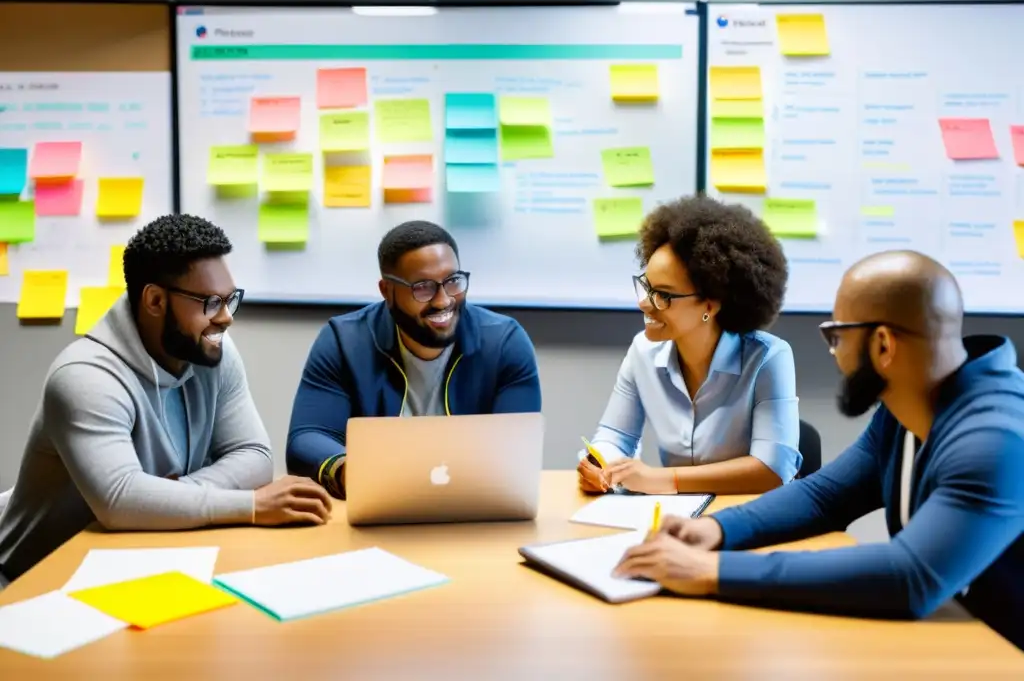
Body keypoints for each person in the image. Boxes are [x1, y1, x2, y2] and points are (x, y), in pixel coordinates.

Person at [612, 251, 1024, 650]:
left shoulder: (996, 439)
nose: (834, 354)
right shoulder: (912, 404)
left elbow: (910, 577)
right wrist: (718, 530)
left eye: (837, 337)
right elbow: (825, 496)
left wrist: (710, 570)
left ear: (883, 345)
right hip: (967, 635)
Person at [0, 214, 332, 584]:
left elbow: (254, 456)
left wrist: (163, 498)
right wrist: (252, 506)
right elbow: (121, 501)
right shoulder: (83, 377)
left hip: (132, 564)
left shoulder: (213, 351)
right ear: (155, 300)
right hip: (33, 581)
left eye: (230, 300)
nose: (226, 319)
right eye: (210, 303)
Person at [287, 220, 542, 498]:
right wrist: (349, 469)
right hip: (379, 509)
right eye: (423, 287)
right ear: (387, 291)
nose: (443, 300)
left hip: (475, 511)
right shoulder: (344, 342)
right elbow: (307, 438)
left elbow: (518, 449)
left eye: (453, 281)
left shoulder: (504, 343)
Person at [577, 195, 801, 496]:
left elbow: (773, 469)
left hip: (750, 520)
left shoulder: (768, 358)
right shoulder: (642, 351)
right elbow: (615, 435)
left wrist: (665, 479)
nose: (643, 303)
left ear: (710, 304)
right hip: (676, 518)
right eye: (646, 286)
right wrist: (602, 464)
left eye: (663, 295)